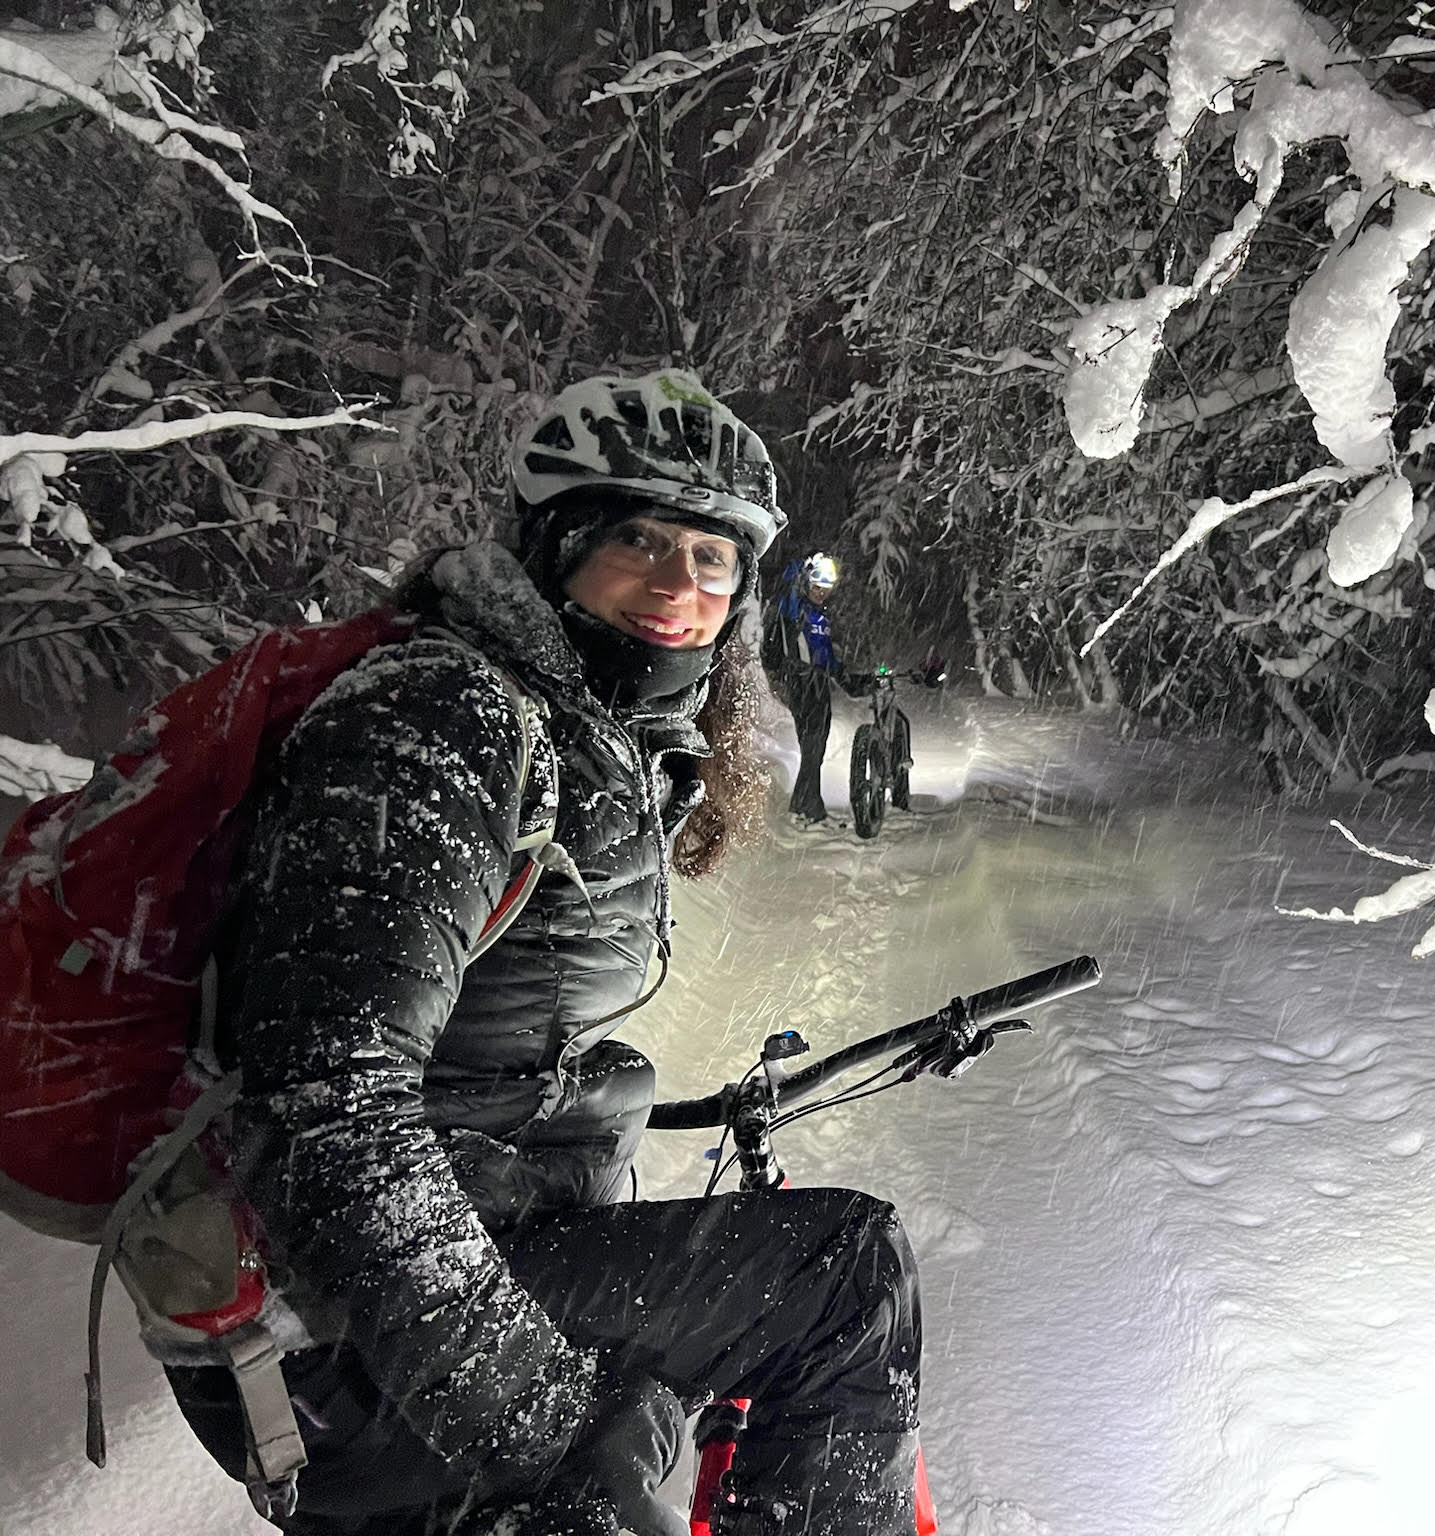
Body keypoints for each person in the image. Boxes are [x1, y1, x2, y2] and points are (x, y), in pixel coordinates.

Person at [162, 370, 925, 1536]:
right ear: (555, 546)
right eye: (637, 539)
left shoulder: (575, 726)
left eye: (713, 558)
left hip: (433, 1263)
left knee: (702, 1355)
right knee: (842, 1276)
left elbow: (473, 1042)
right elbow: (331, 1114)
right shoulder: (439, 725)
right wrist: (552, 1418)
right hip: (325, 1332)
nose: (681, 586)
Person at [763, 552, 861, 823]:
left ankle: (805, 804)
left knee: (814, 749)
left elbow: (825, 655)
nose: (821, 593)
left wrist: (846, 678)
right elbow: (787, 584)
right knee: (812, 746)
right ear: (806, 583)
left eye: (826, 589)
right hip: (800, 682)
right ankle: (808, 807)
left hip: (818, 683)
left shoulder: (819, 617)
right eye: (817, 587)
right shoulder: (795, 607)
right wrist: (802, 567)